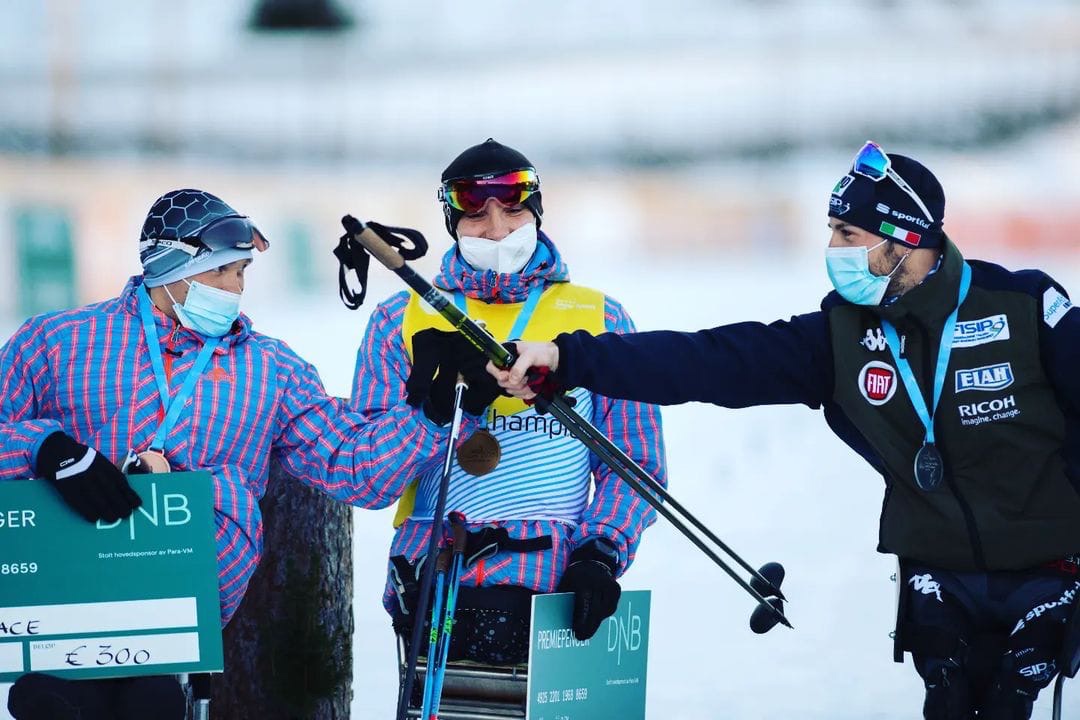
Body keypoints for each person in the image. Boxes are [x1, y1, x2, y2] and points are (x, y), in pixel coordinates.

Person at [493, 142, 1080, 719]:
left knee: (1011, 697)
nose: (833, 249)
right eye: (832, 230)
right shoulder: (840, 335)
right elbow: (711, 360)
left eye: (849, 235)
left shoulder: (1026, 305)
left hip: (1049, 566)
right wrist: (565, 359)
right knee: (950, 700)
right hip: (939, 570)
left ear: (904, 240)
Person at [0, 189, 475, 720]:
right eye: (223, 272)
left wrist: (429, 416)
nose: (237, 288)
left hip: (176, 629)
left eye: (242, 272)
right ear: (171, 264)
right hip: (63, 616)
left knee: (150, 702)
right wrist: (44, 447)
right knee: (59, 702)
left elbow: (354, 466)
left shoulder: (270, 369)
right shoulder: (57, 341)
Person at [350, 138, 667, 671]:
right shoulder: (400, 320)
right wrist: (434, 415)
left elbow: (635, 465)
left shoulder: (599, 316)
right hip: (436, 578)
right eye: (476, 213)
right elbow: (364, 475)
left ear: (537, 211)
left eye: (513, 208)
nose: (497, 228)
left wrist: (600, 554)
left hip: (555, 585)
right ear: (452, 220)